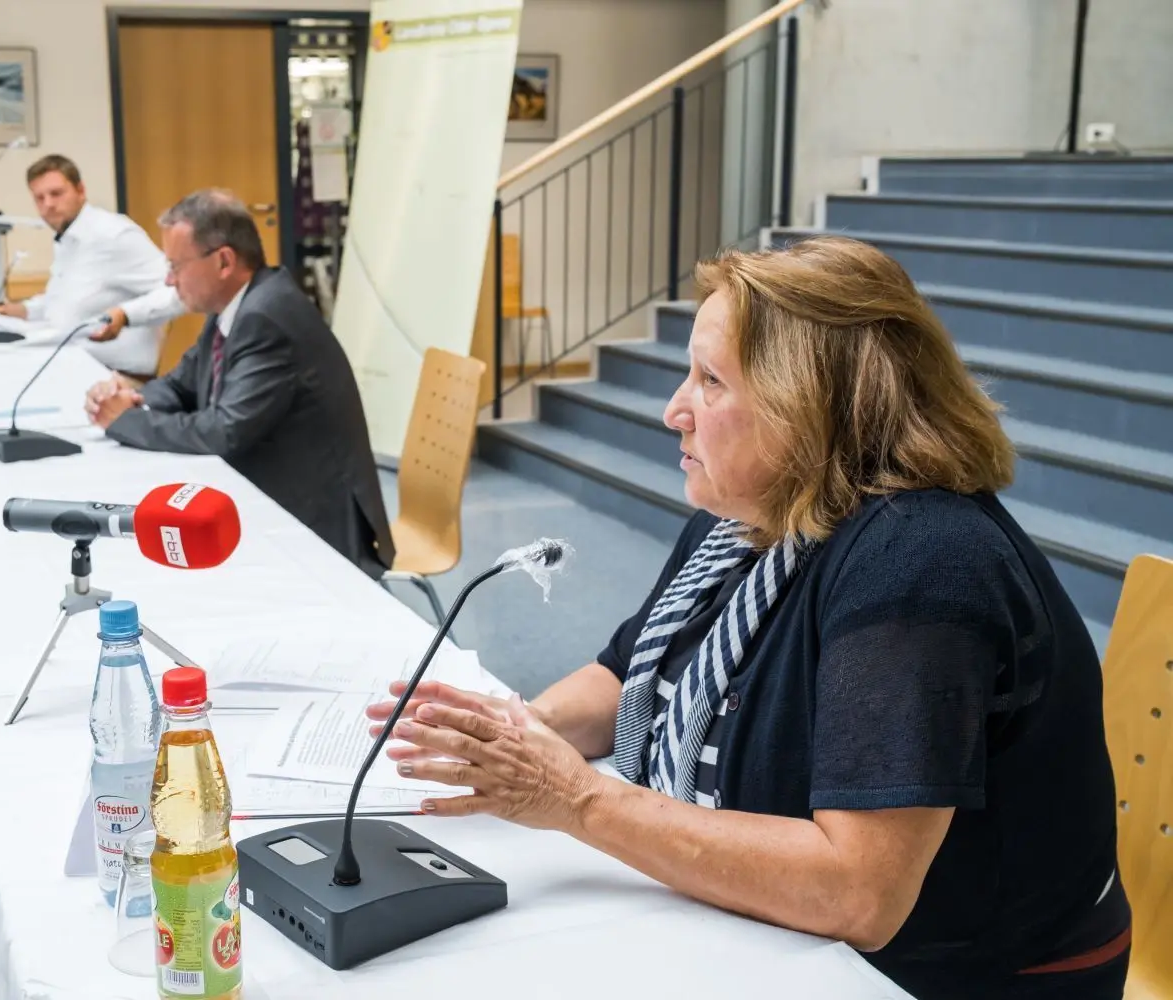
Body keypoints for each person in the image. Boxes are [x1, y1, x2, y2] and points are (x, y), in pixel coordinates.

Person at [367, 236, 1131, 999]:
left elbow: (857, 892)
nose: (674, 411)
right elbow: (629, 674)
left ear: (812, 406)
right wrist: (514, 734)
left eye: (711, 381)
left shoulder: (920, 565)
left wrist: (576, 799)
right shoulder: (747, 515)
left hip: (941, 980)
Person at [85, 189, 395, 579]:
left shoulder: (267, 316)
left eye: (176, 265)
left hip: (315, 523)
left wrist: (124, 421)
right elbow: (181, 385)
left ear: (224, 261)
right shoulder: (234, 308)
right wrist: (129, 398)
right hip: (274, 492)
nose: (169, 279)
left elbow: (224, 432)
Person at [0, 154, 184, 378]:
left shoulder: (113, 235)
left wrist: (125, 315)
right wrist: (20, 310)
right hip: (71, 364)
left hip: (114, 376)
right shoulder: (68, 238)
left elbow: (178, 291)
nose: (48, 205)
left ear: (80, 191)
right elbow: (67, 302)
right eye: (39, 198)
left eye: (56, 193)